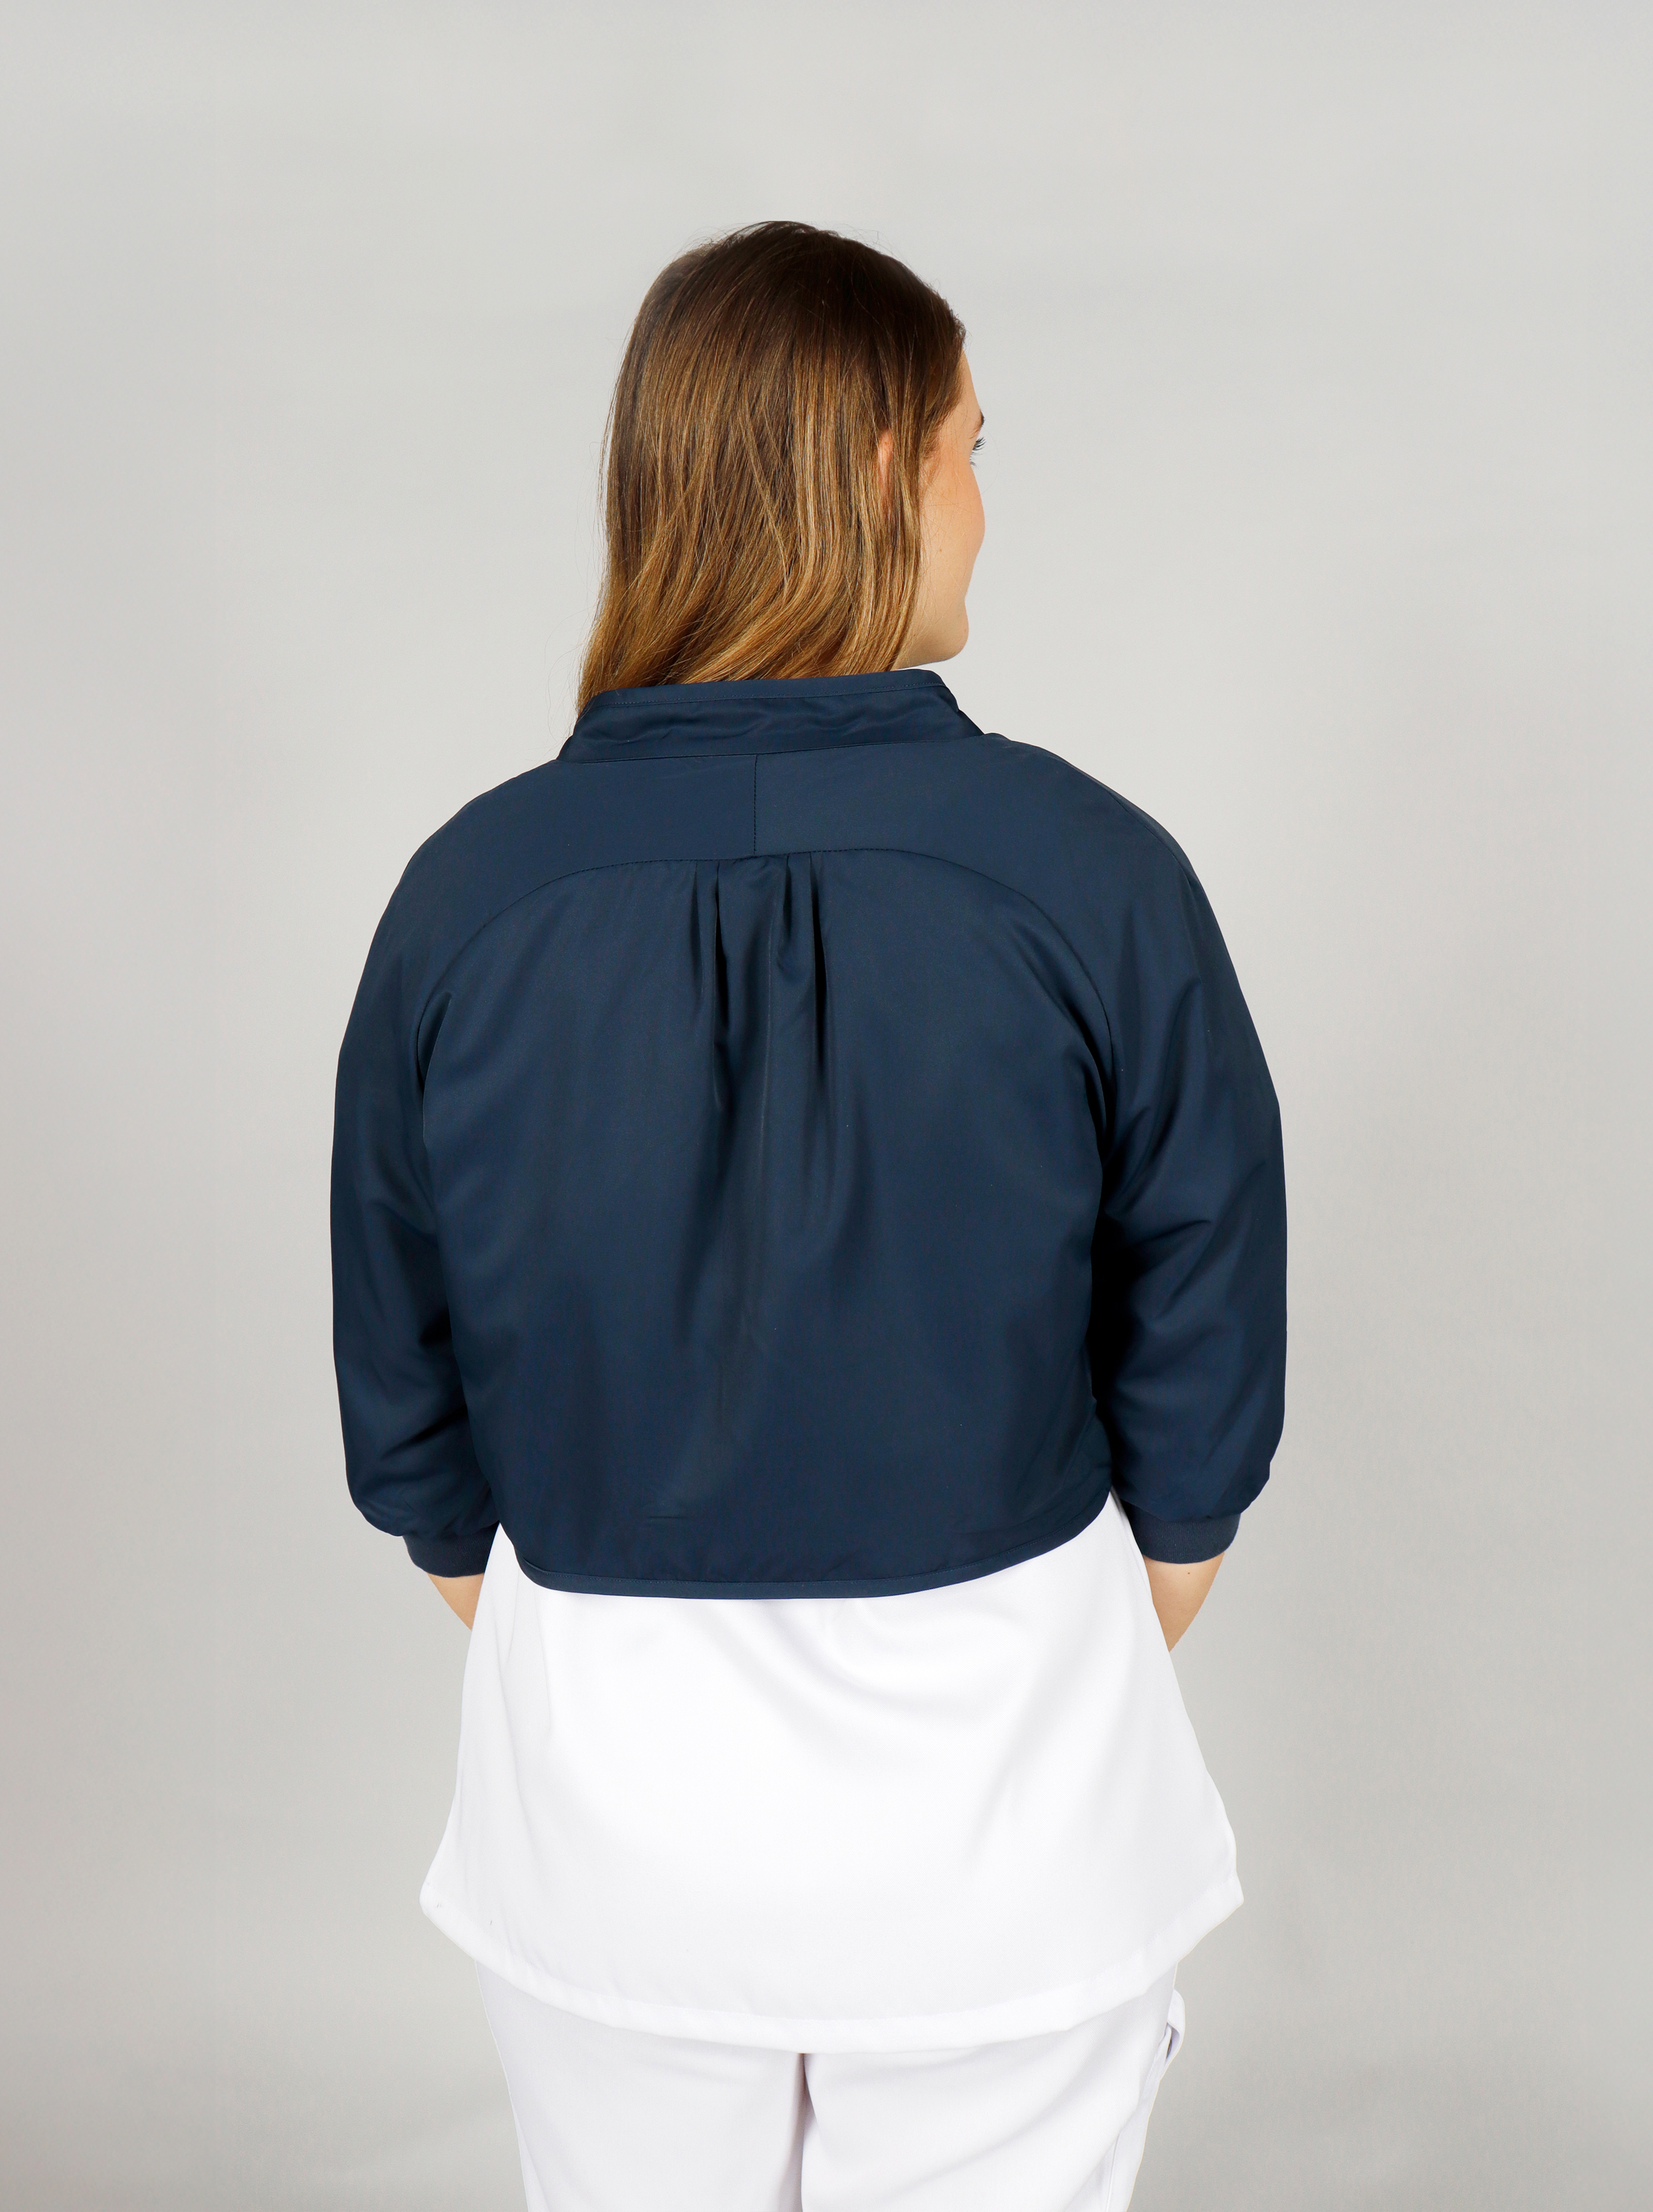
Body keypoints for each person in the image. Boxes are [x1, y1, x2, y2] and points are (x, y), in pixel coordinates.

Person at [330, 220, 1287, 2212]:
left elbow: (402, 1388)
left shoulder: (467, 898)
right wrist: (1088, 1617)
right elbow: (1204, 1304)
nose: (984, 507)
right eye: (969, 448)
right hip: (1003, 1799)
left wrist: (582, 1646)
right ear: (874, 470)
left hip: (603, 1817)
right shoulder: (1090, 874)